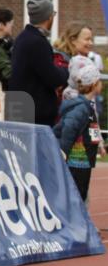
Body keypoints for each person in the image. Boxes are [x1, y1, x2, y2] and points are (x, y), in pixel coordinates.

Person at [7, 0, 68, 126]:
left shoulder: (22, 37)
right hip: (36, 114)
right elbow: (53, 77)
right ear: (49, 17)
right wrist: (66, 70)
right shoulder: (37, 42)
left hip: (23, 109)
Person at [53, 61, 105, 202]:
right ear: (94, 84)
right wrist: (63, 152)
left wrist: (99, 144)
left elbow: (92, 126)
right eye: (100, 81)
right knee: (77, 193)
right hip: (77, 159)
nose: (102, 85)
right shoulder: (81, 108)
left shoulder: (88, 106)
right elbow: (69, 128)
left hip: (85, 158)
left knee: (81, 191)